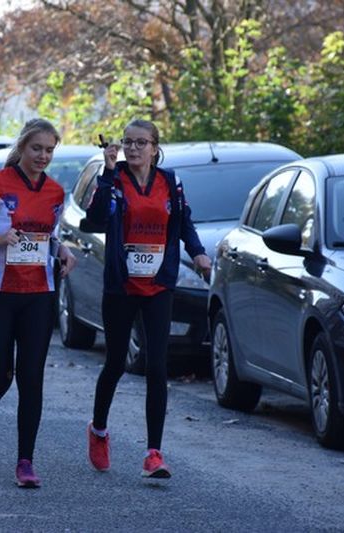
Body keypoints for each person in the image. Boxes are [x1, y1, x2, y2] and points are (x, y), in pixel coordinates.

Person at [85, 119, 211, 479]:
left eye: (142, 142)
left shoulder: (170, 181)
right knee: (115, 364)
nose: (134, 148)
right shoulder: (115, 180)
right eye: (128, 142)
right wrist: (107, 174)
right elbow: (94, 220)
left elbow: (184, 221)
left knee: (157, 366)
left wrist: (199, 253)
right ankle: (98, 431)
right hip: (122, 286)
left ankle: (154, 453)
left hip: (158, 284)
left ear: (156, 147)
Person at [0, 118, 77, 488]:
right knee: (0, 376)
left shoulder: (56, 192)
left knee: (32, 379)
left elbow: (50, 236)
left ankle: (25, 461)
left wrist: (63, 251)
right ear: (23, 148)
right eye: (36, 148)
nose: (43, 156)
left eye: (49, 150)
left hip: (38, 296)